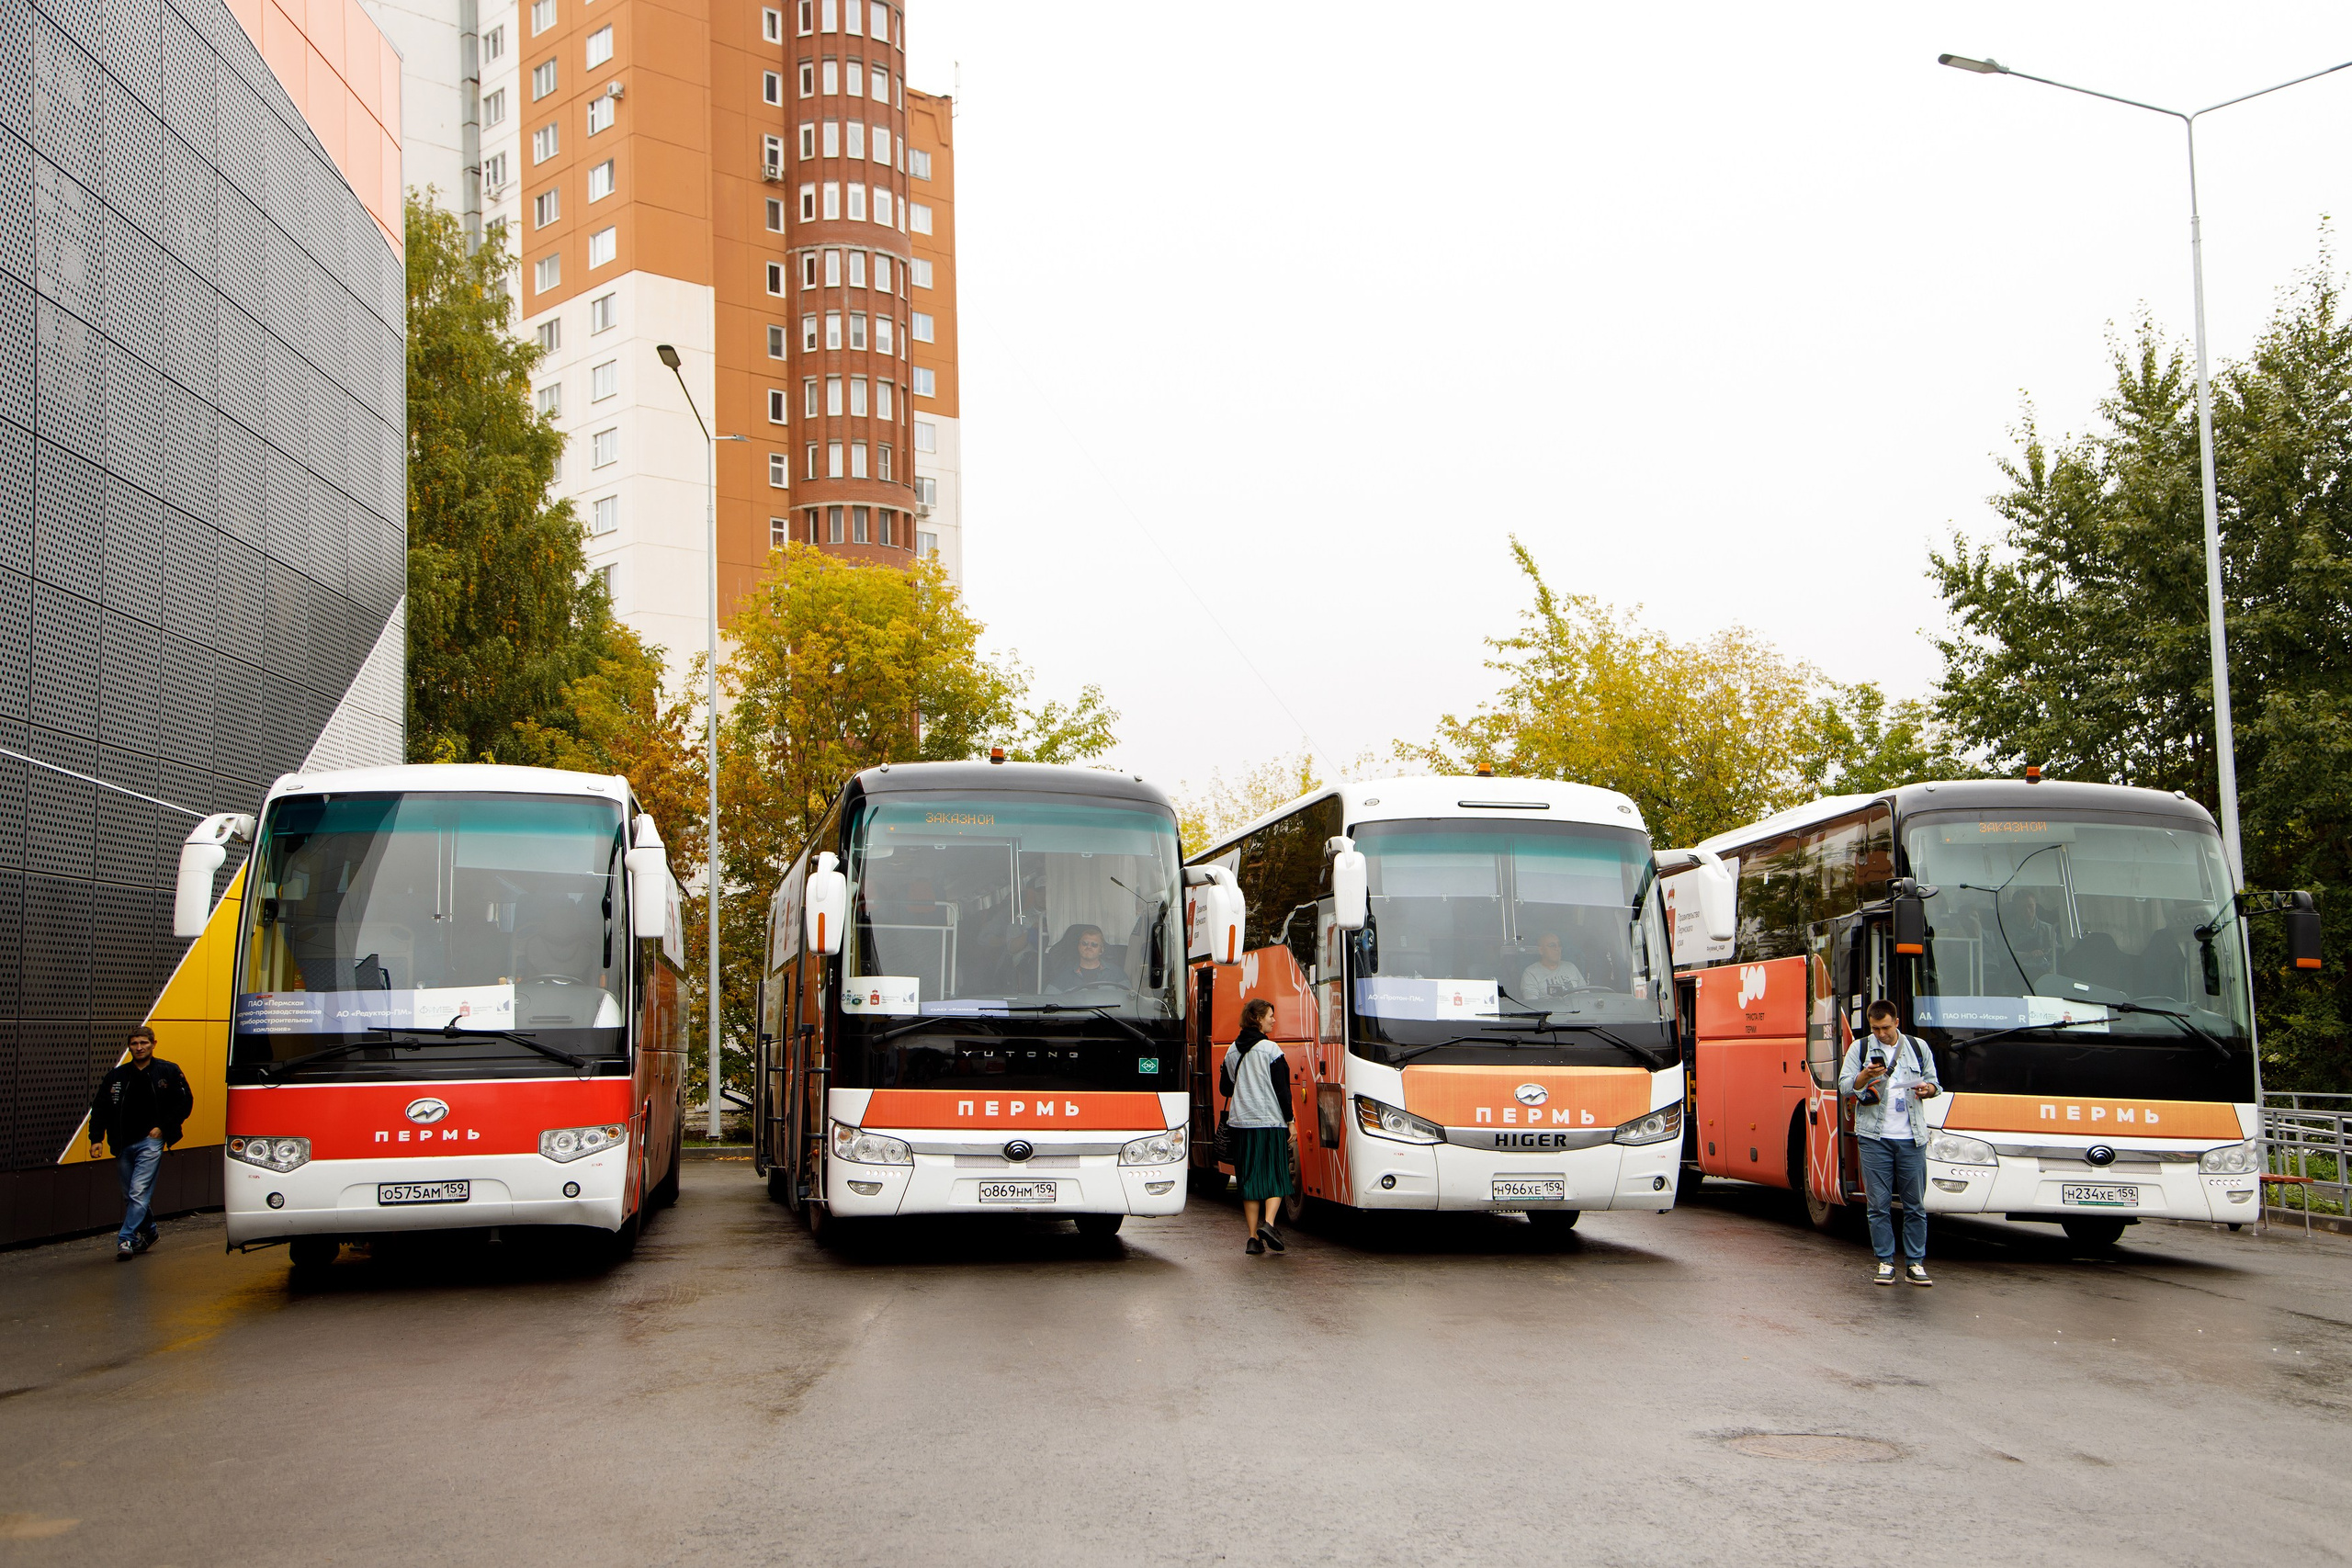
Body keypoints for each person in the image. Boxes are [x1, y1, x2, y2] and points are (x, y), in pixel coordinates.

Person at [1838, 1000, 1941, 1287]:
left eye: (1885, 1027)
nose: (1881, 1034)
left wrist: (1927, 1089)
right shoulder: (1860, 1048)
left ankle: (1915, 1264)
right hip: (1874, 1138)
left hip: (1912, 1138)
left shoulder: (1917, 1047)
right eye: (1875, 1028)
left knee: (1914, 1205)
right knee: (1878, 1204)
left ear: (1896, 1021)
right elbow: (1845, 1085)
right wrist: (1865, 1075)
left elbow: (1935, 1084)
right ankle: (1885, 1262)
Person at [86, 1026, 194, 1261]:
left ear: (154, 1044)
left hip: (151, 1141)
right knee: (131, 1195)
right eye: (134, 1044)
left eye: (143, 1043)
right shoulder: (116, 1076)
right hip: (122, 1142)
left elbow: (184, 1102)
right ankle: (150, 1231)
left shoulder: (168, 1070)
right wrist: (96, 1138)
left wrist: (163, 1128)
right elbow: (101, 1107)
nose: (139, 1047)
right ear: (129, 1046)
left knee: (138, 1192)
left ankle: (126, 1238)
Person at [1219, 998, 1294, 1256]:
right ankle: (1270, 1224)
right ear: (1258, 1019)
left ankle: (1252, 1238)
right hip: (1270, 1122)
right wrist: (1291, 1121)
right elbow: (1283, 1091)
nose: (1273, 1020)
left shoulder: (1231, 1050)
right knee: (1275, 1175)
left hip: (1240, 1123)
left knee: (1248, 1180)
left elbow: (1225, 1088)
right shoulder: (1272, 1050)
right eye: (1270, 1016)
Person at [2005, 889, 2062, 983]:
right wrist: (2028, 955)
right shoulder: (2006, 929)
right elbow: (2004, 954)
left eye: (2030, 906)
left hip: (2046, 971)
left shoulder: (2049, 929)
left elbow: (2056, 953)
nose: (2027, 911)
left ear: (2035, 906)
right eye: (2022, 907)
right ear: (2015, 908)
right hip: (2018, 973)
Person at [1519, 931, 1588, 1002]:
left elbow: (1586, 997)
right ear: (1541, 950)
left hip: (1577, 1011)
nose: (1557, 948)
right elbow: (1532, 1004)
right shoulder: (1530, 973)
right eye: (1552, 945)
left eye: (1559, 945)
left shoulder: (1571, 967)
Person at [1046, 925, 1118, 992]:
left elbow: (1128, 1000)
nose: (1089, 947)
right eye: (1084, 943)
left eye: (1094, 944)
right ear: (1079, 947)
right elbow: (1047, 1001)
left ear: (1101, 950)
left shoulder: (1117, 973)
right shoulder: (1063, 976)